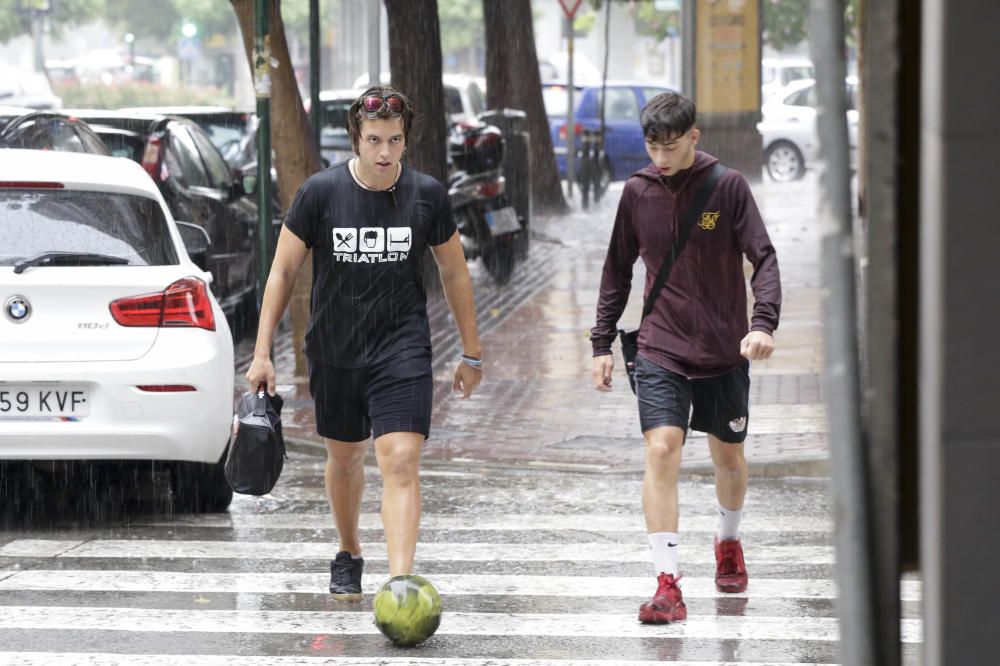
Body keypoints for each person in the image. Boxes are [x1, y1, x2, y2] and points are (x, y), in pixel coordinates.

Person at [246, 85, 483, 600]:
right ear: (355, 137)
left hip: (403, 348)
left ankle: (400, 582)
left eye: (394, 141)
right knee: (346, 458)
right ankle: (349, 550)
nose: (383, 153)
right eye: (374, 140)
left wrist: (471, 351)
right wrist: (263, 352)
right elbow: (283, 271)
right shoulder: (320, 193)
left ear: (405, 141)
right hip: (335, 349)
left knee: (399, 458)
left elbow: (455, 274)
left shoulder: (427, 196)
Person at [590, 92, 781, 623]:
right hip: (660, 347)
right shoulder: (637, 193)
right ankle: (667, 584)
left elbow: (762, 258)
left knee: (728, 458)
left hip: (724, 349)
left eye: (671, 146)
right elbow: (616, 270)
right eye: (653, 146)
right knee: (662, 449)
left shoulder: (728, 187)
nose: (661, 157)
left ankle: (727, 541)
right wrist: (601, 343)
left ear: (694, 137)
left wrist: (762, 323)